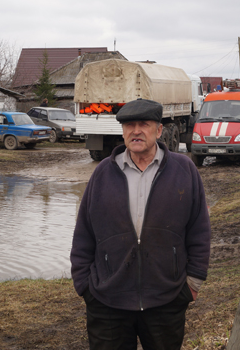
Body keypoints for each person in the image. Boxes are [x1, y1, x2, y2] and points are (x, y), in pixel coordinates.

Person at [70, 98, 211, 350]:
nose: (136, 131)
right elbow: (84, 233)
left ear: (158, 130)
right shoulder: (103, 173)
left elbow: (199, 230)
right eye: (129, 125)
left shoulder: (184, 170)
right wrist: (85, 286)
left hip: (165, 300)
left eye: (144, 124)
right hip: (107, 302)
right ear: (122, 131)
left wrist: (192, 284)